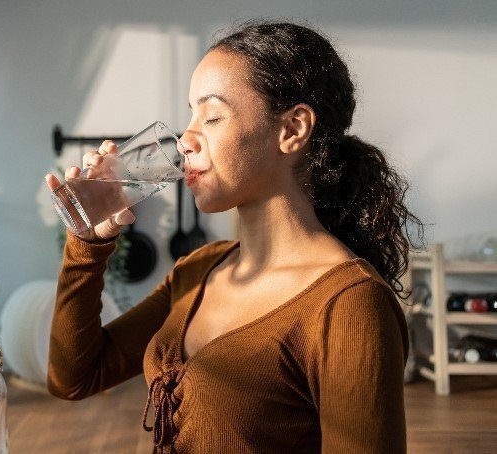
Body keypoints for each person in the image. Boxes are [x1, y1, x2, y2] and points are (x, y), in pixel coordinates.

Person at [44, 20, 423, 453]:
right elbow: (72, 377)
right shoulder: (200, 270)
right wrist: (88, 245)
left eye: (212, 116)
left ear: (293, 129)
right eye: (190, 114)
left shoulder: (348, 305)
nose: (186, 138)